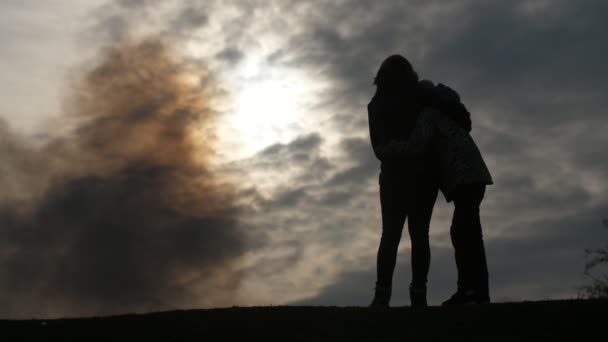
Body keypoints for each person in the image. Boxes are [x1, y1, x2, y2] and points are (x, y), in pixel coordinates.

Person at [377, 81, 493, 305]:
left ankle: (471, 291)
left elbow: (416, 144)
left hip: (464, 178)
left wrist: (390, 148)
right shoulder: (449, 115)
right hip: (475, 176)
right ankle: (475, 291)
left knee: (464, 234)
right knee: (468, 233)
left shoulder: (429, 115)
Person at [368, 55, 439, 308]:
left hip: (394, 177)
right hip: (421, 176)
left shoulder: (376, 104)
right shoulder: (420, 97)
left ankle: (382, 294)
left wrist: (395, 151)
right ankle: (418, 294)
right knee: (419, 235)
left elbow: (378, 147)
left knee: (390, 236)